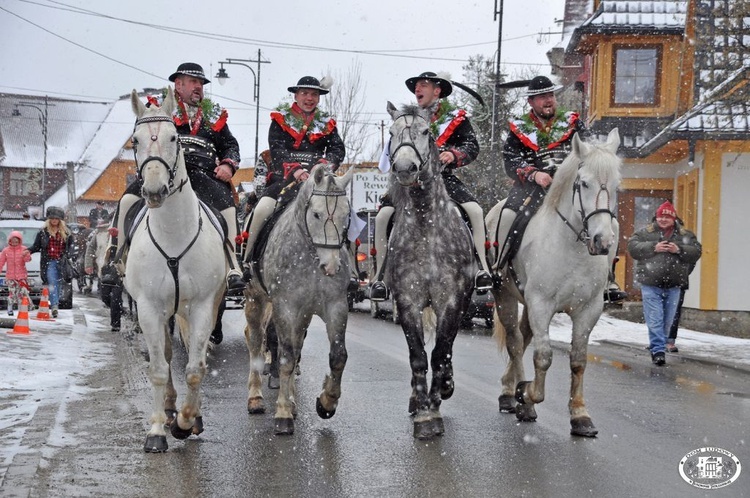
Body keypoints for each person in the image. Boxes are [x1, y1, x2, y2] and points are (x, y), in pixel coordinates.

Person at [109, 62, 245, 299]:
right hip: (165, 174)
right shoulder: (158, 112)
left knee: (228, 204)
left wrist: (227, 164)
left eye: (201, 83)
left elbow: (231, 145)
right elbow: (144, 142)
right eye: (193, 82)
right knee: (128, 200)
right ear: (178, 84)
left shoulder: (213, 118)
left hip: (204, 175)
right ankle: (116, 256)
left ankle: (233, 264)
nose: (199, 87)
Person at [492, 75, 626, 301]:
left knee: (610, 220)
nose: (548, 101)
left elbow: (588, 151)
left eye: (551, 95)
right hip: (531, 189)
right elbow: (510, 162)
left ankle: (608, 277)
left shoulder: (573, 123)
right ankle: (499, 265)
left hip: (571, 188)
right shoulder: (519, 129)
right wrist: (534, 173)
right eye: (542, 97)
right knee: (507, 215)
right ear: (531, 102)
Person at [369, 71, 492, 301]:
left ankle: (481, 268)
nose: (418, 89)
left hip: (442, 180)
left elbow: (471, 146)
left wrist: (454, 155)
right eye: (416, 85)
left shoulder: (457, 119)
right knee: (383, 216)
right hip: (408, 182)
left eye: (423, 85)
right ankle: (381, 277)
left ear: (438, 91)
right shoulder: (406, 118)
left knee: (474, 210)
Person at [241, 75, 345, 276]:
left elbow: (337, 150)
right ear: (296, 95)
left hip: (318, 182)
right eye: (305, 93)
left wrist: (321, 167)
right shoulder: (280, 120)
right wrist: (296, 170)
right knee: (262, 209)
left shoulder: (327, 124)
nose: (309, 98)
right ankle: (248, 260)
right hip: (283, 181)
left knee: (340, 212)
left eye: (314, 94)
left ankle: (350, 269)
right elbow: (277, 149)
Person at [627, 201, 702, 365]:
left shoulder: (685, 235)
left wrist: (679, 249)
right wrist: (654, 247)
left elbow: (696, 252)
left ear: (673, 218)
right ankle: (658, 351)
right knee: (655, 318)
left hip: (674, 285)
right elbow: (632, 247)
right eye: (660, 216)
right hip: (650, 283)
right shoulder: (645, 233)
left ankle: (662, 342)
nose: (662, 220)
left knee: (668, 320)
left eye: (666, 217)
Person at [26, 206, 74, 318]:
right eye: (52, 218)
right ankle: (54, 306)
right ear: (49, 219)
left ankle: (55, 303)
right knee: (52, 284)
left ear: (60, 220)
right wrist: (28, 251)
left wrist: (69, 255)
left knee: (60, 284)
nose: (54, 221)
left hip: (62, 262)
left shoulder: (66, 232)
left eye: (56, 219)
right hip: (50, 262)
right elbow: (36, 246)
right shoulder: (43, 232)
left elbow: (71, 246)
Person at [0, 230, 32, 315]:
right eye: (12, 241)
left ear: (20, 241)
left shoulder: (23, 249)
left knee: (21, 293)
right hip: (10, 277)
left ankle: (21, 309)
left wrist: (26, 255)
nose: (14, 243)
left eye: (16, 241)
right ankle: (10, 308)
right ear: (9, 241)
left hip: (22, 276)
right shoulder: (6, 250)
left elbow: (27, 260)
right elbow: (1, 262)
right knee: (12, 293)